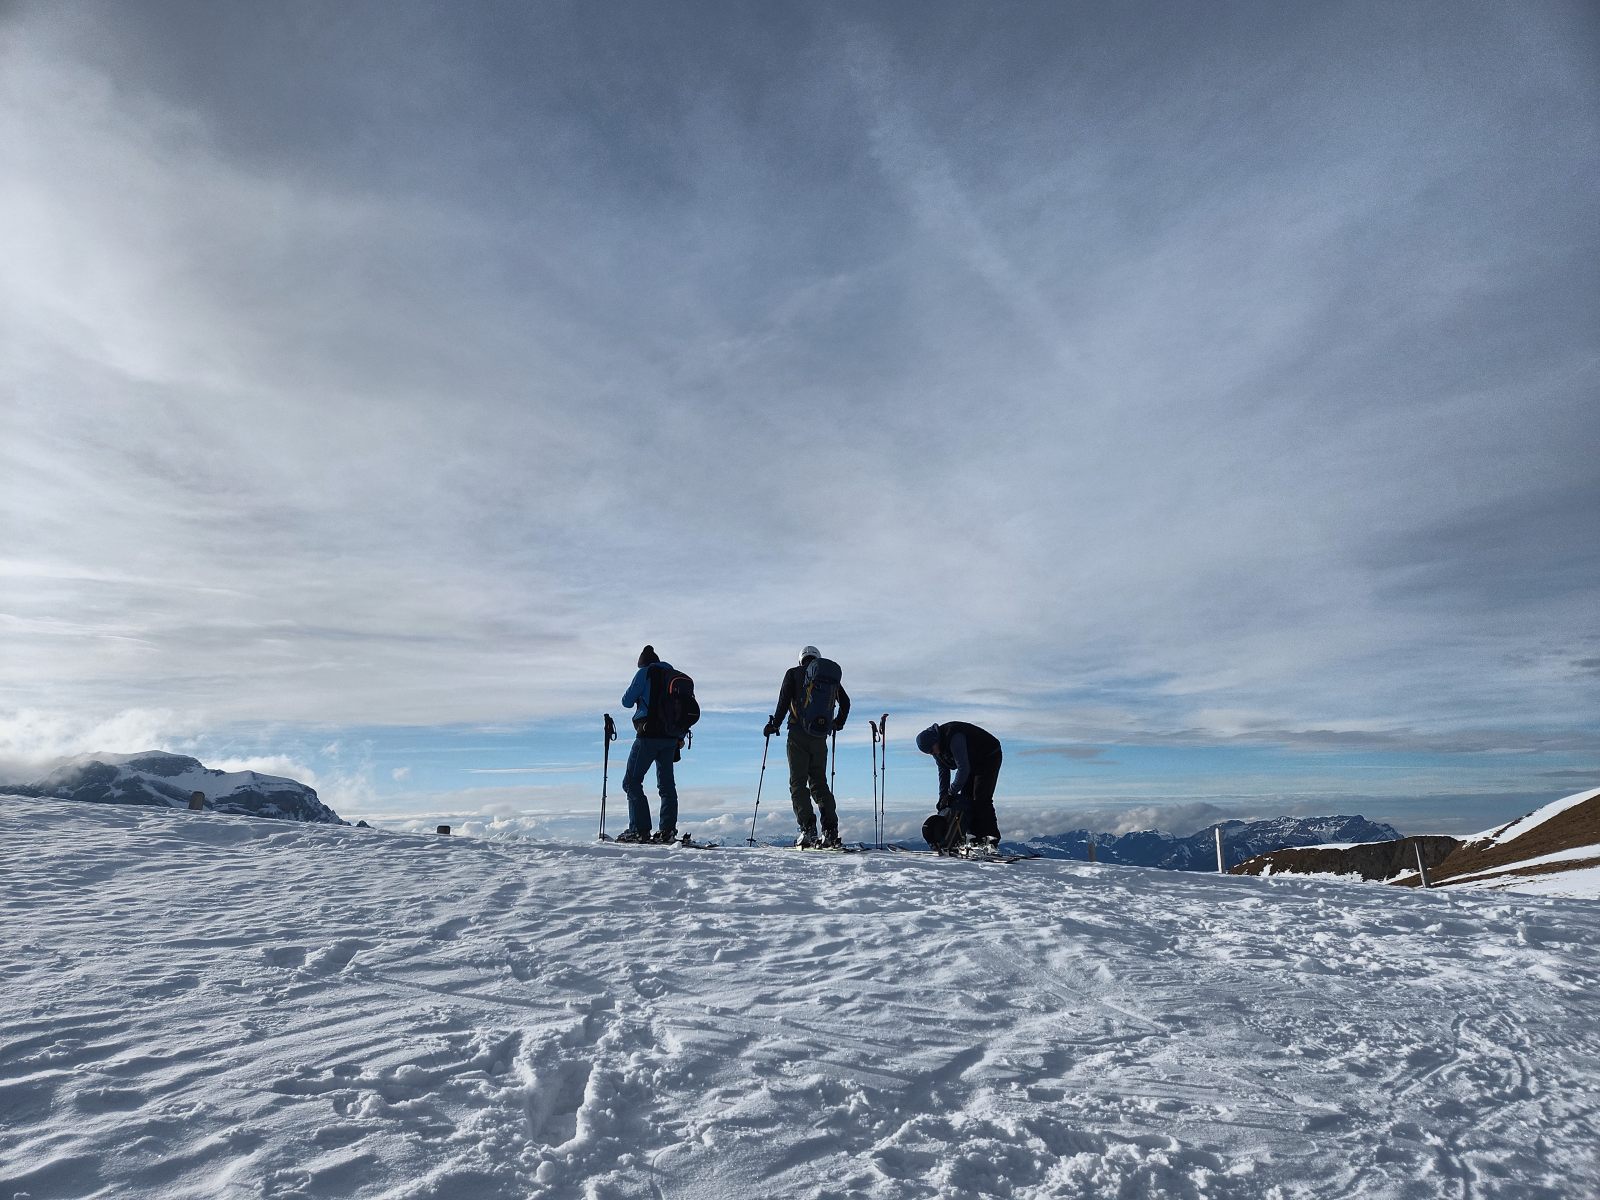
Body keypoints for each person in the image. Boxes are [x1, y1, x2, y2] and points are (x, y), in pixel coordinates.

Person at [763, 645, 850, 848]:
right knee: (819, 783)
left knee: (798, 783)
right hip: (820, 736)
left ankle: (808, 829)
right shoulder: (828, 678)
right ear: (817, 659)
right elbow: (845, 702)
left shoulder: (793, 673)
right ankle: (830, 830)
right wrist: (838, 723)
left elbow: (784, 701)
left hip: (797, 735)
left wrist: (774, 724)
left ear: (800, 659)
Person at [618, 645, 680, 844]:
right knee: (666, 785)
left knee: (631, 782)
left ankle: (639, 830)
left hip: (648, 734)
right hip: (671, 737)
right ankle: (667, 831)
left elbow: (627, 702)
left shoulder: (644, 673)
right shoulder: (673, 675)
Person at [915, 721, 1002, 851]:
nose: (932, 754)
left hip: (988, 756)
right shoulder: (936, 749)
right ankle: (975, 840)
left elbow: (963, 769)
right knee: (966, 800)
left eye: (932, 750)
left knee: (981, 799)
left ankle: (990, 842)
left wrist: (951, 793)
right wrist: (943, 798)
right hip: (972, 761)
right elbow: (943, 772)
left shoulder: (954, 737)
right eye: (929, 753)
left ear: (935, 740)